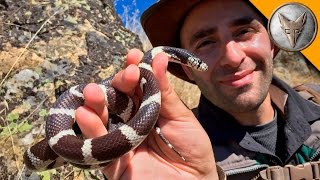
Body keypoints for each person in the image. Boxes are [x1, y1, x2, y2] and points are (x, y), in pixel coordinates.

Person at [75, 0, 320, 179]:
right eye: (206, 43)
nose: (233, 57)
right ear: (187, 69)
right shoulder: (170, 150)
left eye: (244, 31)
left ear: (273, 43)